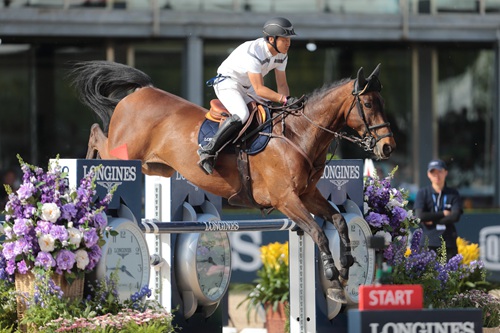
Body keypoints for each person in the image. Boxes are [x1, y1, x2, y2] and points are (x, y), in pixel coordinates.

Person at [198, 17, 303, 175]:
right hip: (228, 83)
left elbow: (282, 85)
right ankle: (208, 150)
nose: (288, 43)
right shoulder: (254, 52)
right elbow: (260, 89)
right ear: (271, 39)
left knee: (271, 111)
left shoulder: (282, 55)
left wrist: (285, 106)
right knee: (242, 114)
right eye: (284, 39)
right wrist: (284, 99)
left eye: (289, 39)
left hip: (248, 87)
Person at [414, 159, 463, 261]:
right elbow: (420, 216)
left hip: (448, 243)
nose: (437, 175)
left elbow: (455, 216)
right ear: (428, 174)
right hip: (427, 243)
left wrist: (432, 220)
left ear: (445, 172)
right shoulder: (423, 193)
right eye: (433, 172)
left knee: (450, 275)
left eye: (439, 171)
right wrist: (443, 214)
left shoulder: (453, 193)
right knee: (425, 275)